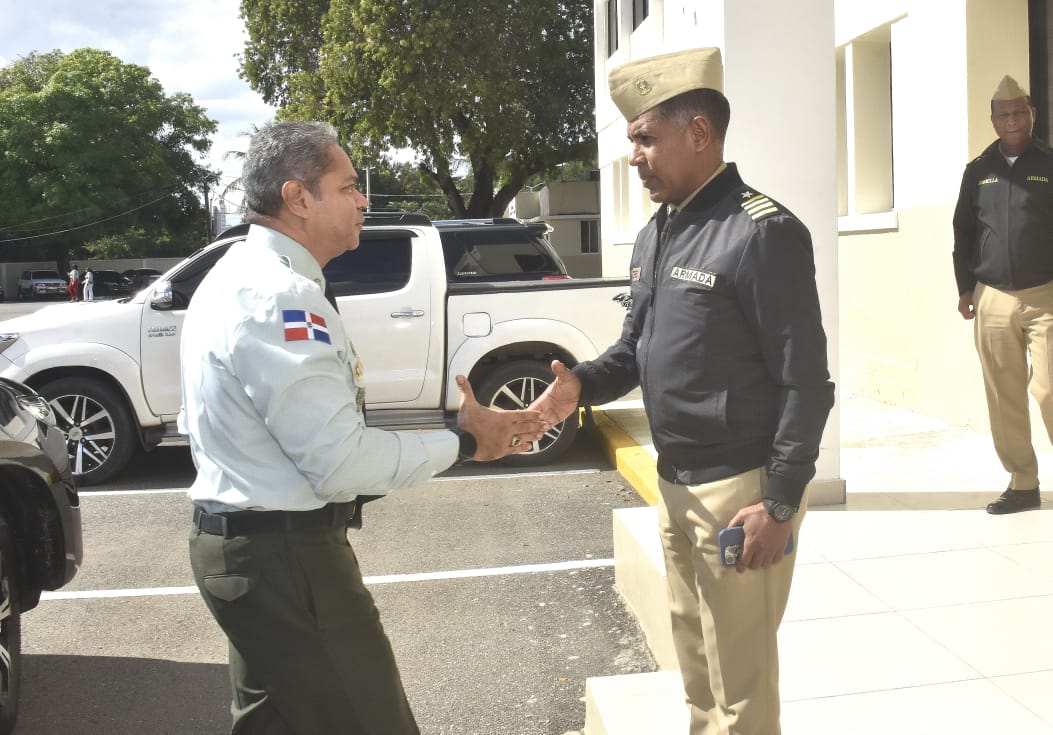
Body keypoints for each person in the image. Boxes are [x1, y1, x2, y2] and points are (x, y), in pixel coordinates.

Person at [180, 121, 547, 734]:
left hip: (248, 555)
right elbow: (337, 462)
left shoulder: (234, 275)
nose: (364, 202)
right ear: (299, 198)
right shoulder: (282, 298)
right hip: (287, 561)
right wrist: (465, 441)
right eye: (348, 187)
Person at [530, 48, 834, 735]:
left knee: (742, 692)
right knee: (698, 676)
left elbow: (805, 381)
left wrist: (779, 501)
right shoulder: (658, 230)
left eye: (643, 138)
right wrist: (580, 384)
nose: (632, 157)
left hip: (739, 492)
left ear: (698, 133)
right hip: (675, 483)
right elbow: (635, 350)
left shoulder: (762, 232)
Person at [953, 75, 1053, 515]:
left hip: (1046, 294)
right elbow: (964, 231)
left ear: (1031, 114)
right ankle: (1023, 482)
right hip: (991, 295)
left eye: (1019, 112)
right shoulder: (978, 171)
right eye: (1003, 114)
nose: (1012, 120)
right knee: (1003, 394)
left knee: (1049, 390)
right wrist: (964, 288)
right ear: (993, 119)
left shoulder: (1049, 163)